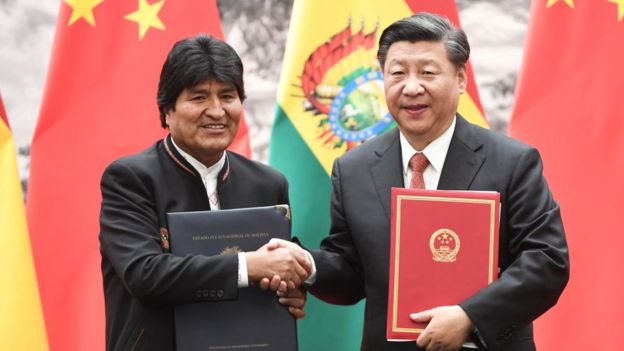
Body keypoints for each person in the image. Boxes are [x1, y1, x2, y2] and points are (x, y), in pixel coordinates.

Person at [272, 12, 569, 351]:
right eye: (397, 73)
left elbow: (546, 261)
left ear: (460, 78)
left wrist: (469, 316)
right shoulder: (354, 168)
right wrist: (306, 264)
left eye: (427, 72)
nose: (412, 87)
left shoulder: (512, 162)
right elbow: (351, 272)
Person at [98, 34, 309, 351]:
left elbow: (282, 266)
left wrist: (291, 284)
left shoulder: (268, 183)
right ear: (167, 110)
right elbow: (145, 274)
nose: (216, 111)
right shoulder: (130, 179)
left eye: (228, 96)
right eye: (198, 98)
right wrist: (249, 266)